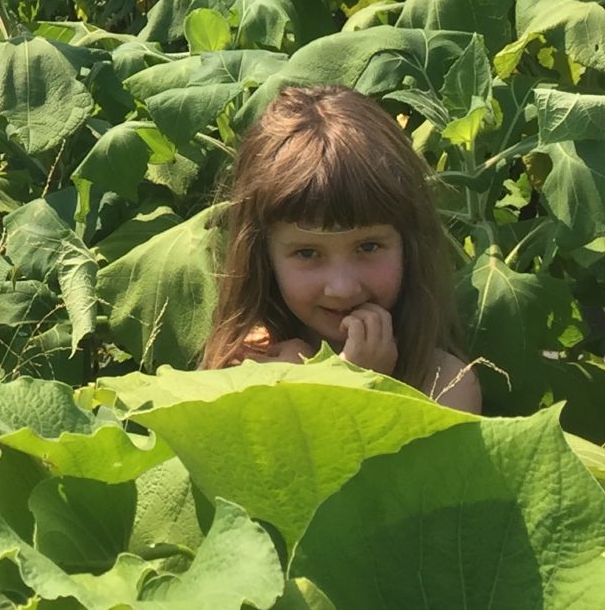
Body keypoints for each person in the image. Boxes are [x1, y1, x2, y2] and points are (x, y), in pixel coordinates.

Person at [201, 83, 482, 411]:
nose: (342, 287)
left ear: (408, 243)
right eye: (307, 253)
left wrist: (356, 383)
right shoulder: (245, 363)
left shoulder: (443, 382)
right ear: (262, 255)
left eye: (368, 246)